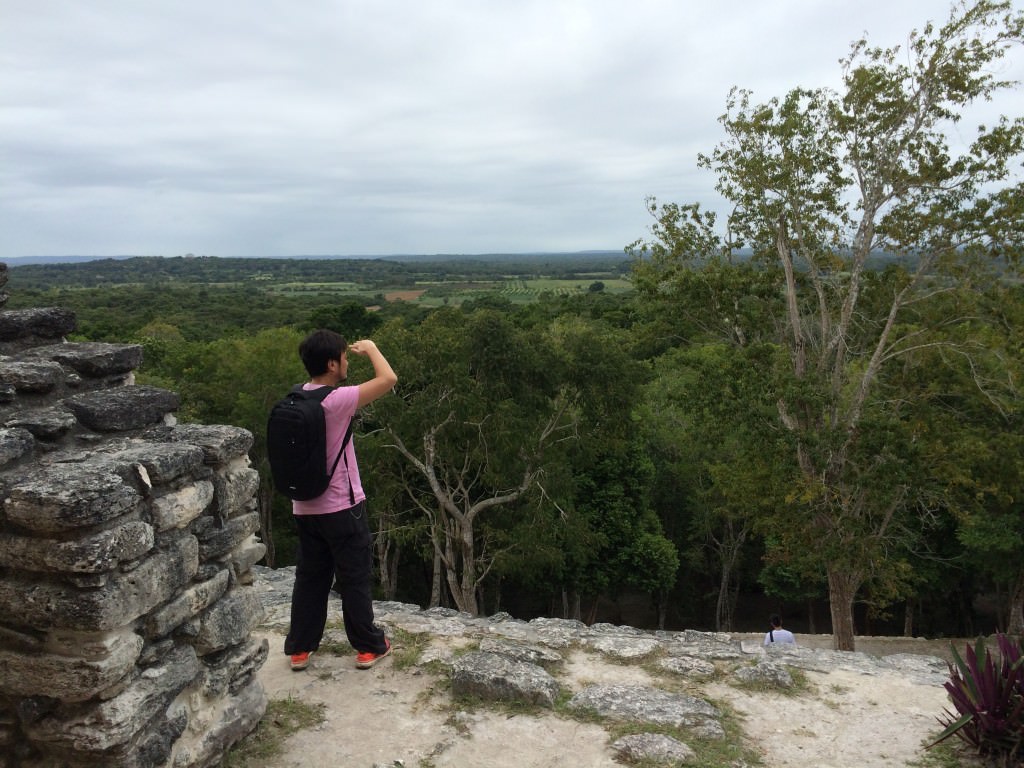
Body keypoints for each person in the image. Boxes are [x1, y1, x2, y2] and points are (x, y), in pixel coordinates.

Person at [283, 329, 398, 671]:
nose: (347, 362)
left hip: (304, 506)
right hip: (341, 507)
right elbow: (388, 378)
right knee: (354, 576)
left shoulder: (295, 398)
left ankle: (300, 649)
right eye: (344, 358)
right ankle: (368, 646)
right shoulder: (337, 400)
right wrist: (373, 348)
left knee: (310, 577)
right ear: (332, 364)